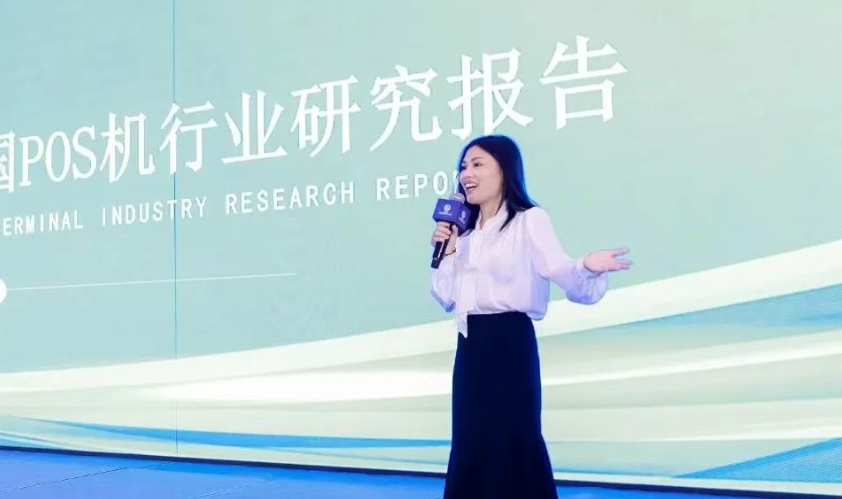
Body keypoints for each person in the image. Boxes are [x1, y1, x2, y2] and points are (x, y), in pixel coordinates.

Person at [430, 134, 631, 499]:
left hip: (510, 342)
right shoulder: (466, 234)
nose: (466, 174)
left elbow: (559, 269)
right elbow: (445, 296)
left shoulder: (529, 221)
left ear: (504, 170)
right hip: (470, 346)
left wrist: (586, 266)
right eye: (463, 167)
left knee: (512, 438)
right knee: (471, 439)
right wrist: (448, 251)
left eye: (477, 164)